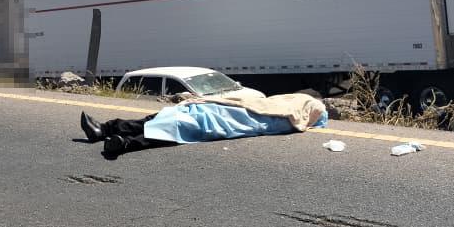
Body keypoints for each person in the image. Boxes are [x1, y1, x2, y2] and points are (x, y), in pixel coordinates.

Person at [79, 92, 328, 158]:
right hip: (217, 110)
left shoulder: (285, 121)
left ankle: (120, 142)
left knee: (175, 127)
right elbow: (250, 103)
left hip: (219, 118)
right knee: (166, 119)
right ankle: (106, 130)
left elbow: (253, 123)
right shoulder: (280, 109)